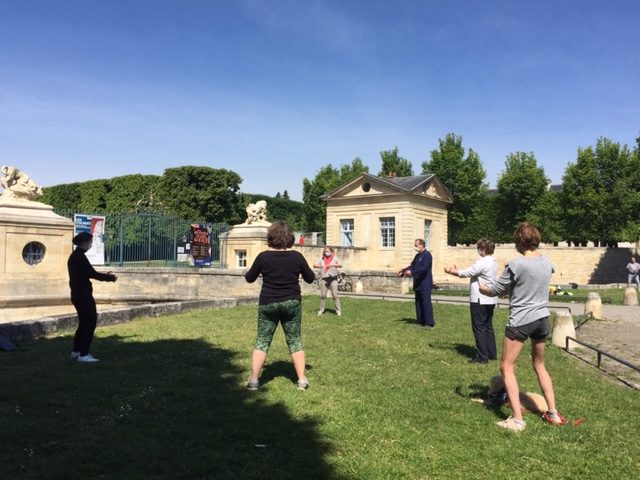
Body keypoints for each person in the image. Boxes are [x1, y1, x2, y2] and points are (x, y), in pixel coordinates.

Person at [479, 222, 566, 431]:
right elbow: (530, 285)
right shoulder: (546, 263)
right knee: (539, 364)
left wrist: (482, 288)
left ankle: (517, 420)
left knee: (507, 366)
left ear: (519, 241)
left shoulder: (515, 264)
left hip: (521, 321)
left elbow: (497, 290)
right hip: (542, 320)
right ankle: (553, 413)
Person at [244, 221, 316, 390]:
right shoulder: (297, 257)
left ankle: (254, 380)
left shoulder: (263, 257)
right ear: (289, 238)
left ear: (270, 237)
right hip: (291, 302)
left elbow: (249, 278)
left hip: (268, 302)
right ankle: (302, 380)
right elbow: (311, 278)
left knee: (262, 340)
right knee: (294, 340)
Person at [444, 238, 498, 363]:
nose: (479, 251)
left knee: (478, 327)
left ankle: (482, 356)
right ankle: (491, 352)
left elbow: (467, 272)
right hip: (490, 299)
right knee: (488, 326)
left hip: (479, 298)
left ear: (483, 249)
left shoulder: (483, 261)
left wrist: (451, 271)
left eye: (479, 248)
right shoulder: (493, 261)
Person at [67, 232, 117, 363]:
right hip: (83, 295)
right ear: (83, 243)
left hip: (78, 294)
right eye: (90, 242)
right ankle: (84, 354)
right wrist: (110, 278)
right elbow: (92, 274)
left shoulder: (75, 256)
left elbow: (88, 273)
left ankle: (76, 351)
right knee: (90, 323)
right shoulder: (79, 257)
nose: (90, 244)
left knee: (83, 324)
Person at [398, 238, 434, 329]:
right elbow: (412, 266)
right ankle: (420, 321)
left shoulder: (427, 255)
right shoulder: (417, 256)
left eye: (416, 245)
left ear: (421, 245)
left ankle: (429, 323)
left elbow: (424, 268)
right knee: (418, 302)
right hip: (418, 283)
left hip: (425, 282)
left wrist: (412, 272)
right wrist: (403, 271)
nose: (415, 247)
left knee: (426, 302)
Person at [313, 246, 342, 316]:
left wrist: (332, 265)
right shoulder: (322, 259)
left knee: (335, 295)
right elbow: (314, 265)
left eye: (328, 251)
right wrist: (318, 266)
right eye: (325, 251)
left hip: (333, 279)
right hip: (324, 279)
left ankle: (338, 310)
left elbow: (340, 265)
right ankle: (321, 310)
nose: (326, 253)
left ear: (331, 252)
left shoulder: (335, 258)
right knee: (323, 295)